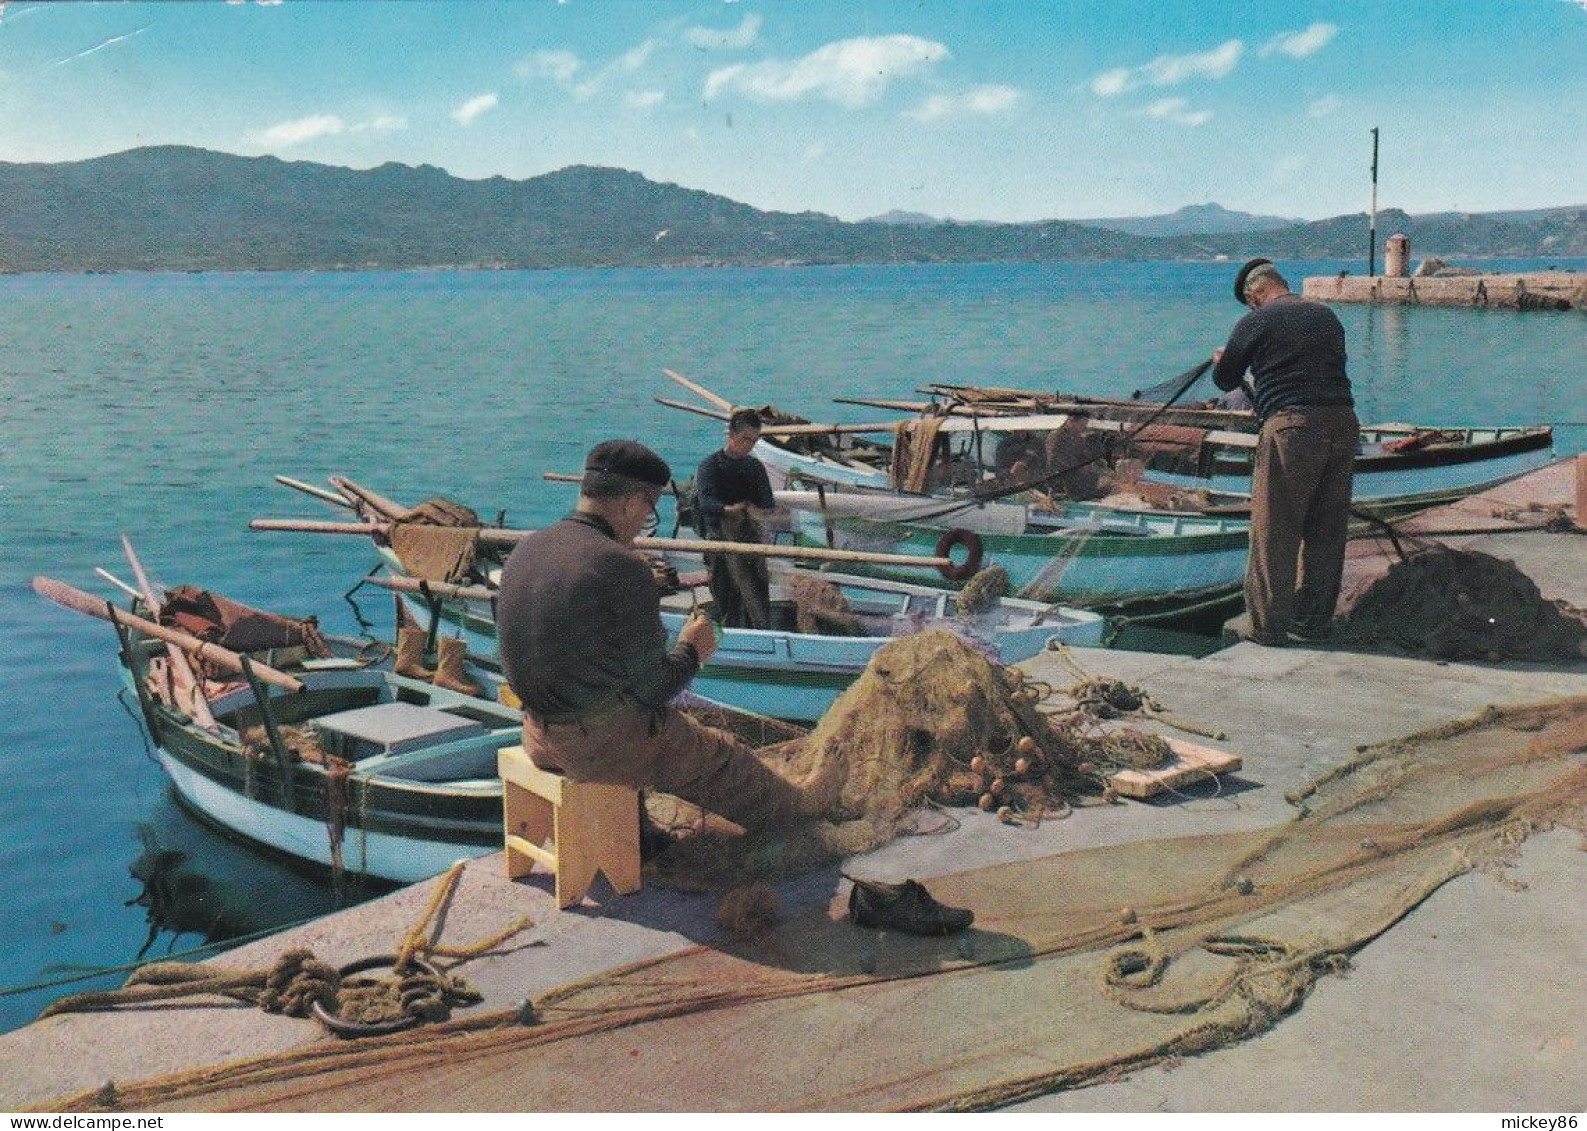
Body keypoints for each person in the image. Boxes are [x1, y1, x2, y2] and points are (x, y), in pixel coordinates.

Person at [495, 439, 828, 834]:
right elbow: (656, 688)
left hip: (537, 732)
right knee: (723, 757)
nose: (643, 524)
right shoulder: (622, 567)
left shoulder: (527, 548)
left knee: (631, 717)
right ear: (631, 503)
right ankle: (807, 828)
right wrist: (692, 649)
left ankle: (641, 838)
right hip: (597, 750)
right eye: (649, 509)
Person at [1213, 258, 1359, 646]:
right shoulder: (1326, 316)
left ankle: (1267, 626)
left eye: (1251, 303)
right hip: (1343, 423)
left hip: (1292, 427)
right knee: (1327, 529)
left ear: (1256, 295)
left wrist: (1221, 359)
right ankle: (1313, 622)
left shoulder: (1257, 321)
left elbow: (1226, 378)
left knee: (1275, 528)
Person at [695, 408, 777, 629]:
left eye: (753, 441)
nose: (748, 445)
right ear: (731, 434)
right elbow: (706, 503)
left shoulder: (755, 467)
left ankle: (758, 631)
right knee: (725, 591)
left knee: (757, 590)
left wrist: (755, 511)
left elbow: (767, 503)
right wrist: (729, 509)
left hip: (749, 537)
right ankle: (728, 629)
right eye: (744, 439)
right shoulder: (710, 466)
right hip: (719, 538)